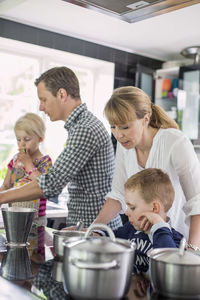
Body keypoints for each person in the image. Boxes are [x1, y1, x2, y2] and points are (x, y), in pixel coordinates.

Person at [0, 67, 122, 230]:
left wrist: (2, 197)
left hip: (95, 231)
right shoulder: (82, 125)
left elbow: (50, 184)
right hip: (87, 228)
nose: (41, 107)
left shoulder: (84, 129)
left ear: (62, 95)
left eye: (44, 99)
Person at [94, 86, 200, 250]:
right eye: (113, 126)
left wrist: (192, 252)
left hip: (178, 245)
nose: (118, 134)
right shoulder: (125, 146)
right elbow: (117, 196)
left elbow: (197, 203)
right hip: (145, 246)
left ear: (145, 119)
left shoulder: (175, 142)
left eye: (125, 127)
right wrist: (92, 230)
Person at [96, 168, 183, 273]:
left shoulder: (175, 240)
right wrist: (96, 234)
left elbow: (169, 264)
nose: (126, 212)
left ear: (155, 208)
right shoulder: (131, 228)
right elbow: (112, 238)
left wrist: (159, 225)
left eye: (132, 207)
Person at [0, 113, 52, 258]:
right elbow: (6, 185)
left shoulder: (45, 162)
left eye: (27, 139)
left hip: (36, 223)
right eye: (18, 139)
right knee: (16, 255)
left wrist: (29, 164)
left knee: (33, 259)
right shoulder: (15, 161)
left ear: (40, 139)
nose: (22, 144)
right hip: (14, 221)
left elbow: (44, 186)